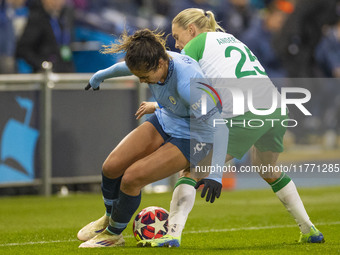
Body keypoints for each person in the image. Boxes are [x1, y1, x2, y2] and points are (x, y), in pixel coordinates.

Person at [136, 8, 324, 247]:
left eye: (177, 35)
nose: (176, 42)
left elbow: (174, 79)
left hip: (246, 111)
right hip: (275, 107)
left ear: (191, 30)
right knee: (268, 169)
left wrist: (156, 103)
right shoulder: (230, 39)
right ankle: (310, 230)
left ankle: (172, 235)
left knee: (191, 171)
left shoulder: (197, 44)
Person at [77, 28, 228, 248]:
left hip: (195, 135)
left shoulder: (189, 85)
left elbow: (220, 127)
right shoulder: (152, 61)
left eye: (144, 78)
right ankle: (110, 216)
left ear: (160, 63)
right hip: (167, 118)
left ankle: (113, 235)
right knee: (111, 167)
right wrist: (100, 75)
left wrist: (216, 174)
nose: (141, 81)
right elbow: (124, 68)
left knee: (131, 178)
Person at [15, 0, 74, 73]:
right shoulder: (36, 18)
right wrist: (41, 64)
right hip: (45, 74)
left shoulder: (65, 16)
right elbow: (22, 49)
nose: (57, 2)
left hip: (65, 71)